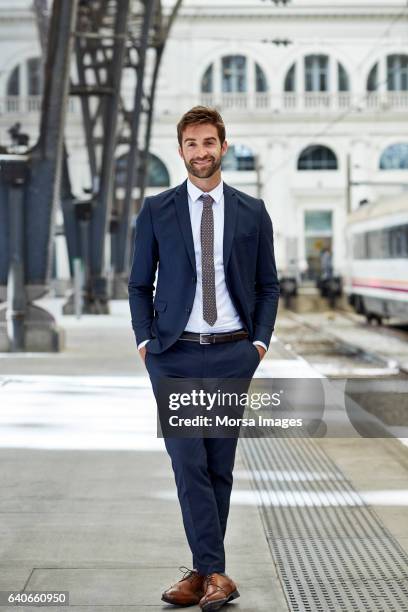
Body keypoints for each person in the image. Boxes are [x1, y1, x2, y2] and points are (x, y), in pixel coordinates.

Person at [128, 106, 279, 611]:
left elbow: (267, 285)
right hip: (174, 356)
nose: (201, 152)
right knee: (187, 461)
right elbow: (137, 284)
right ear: (181, 150)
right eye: (191, 144)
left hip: (232, 352)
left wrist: (257, 344)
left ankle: (204, 573)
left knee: (219, 466)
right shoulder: (157, 209)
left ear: (223, 147)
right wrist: (145, 343)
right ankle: (216, 573)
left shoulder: (252, 211)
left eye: (209, 142)